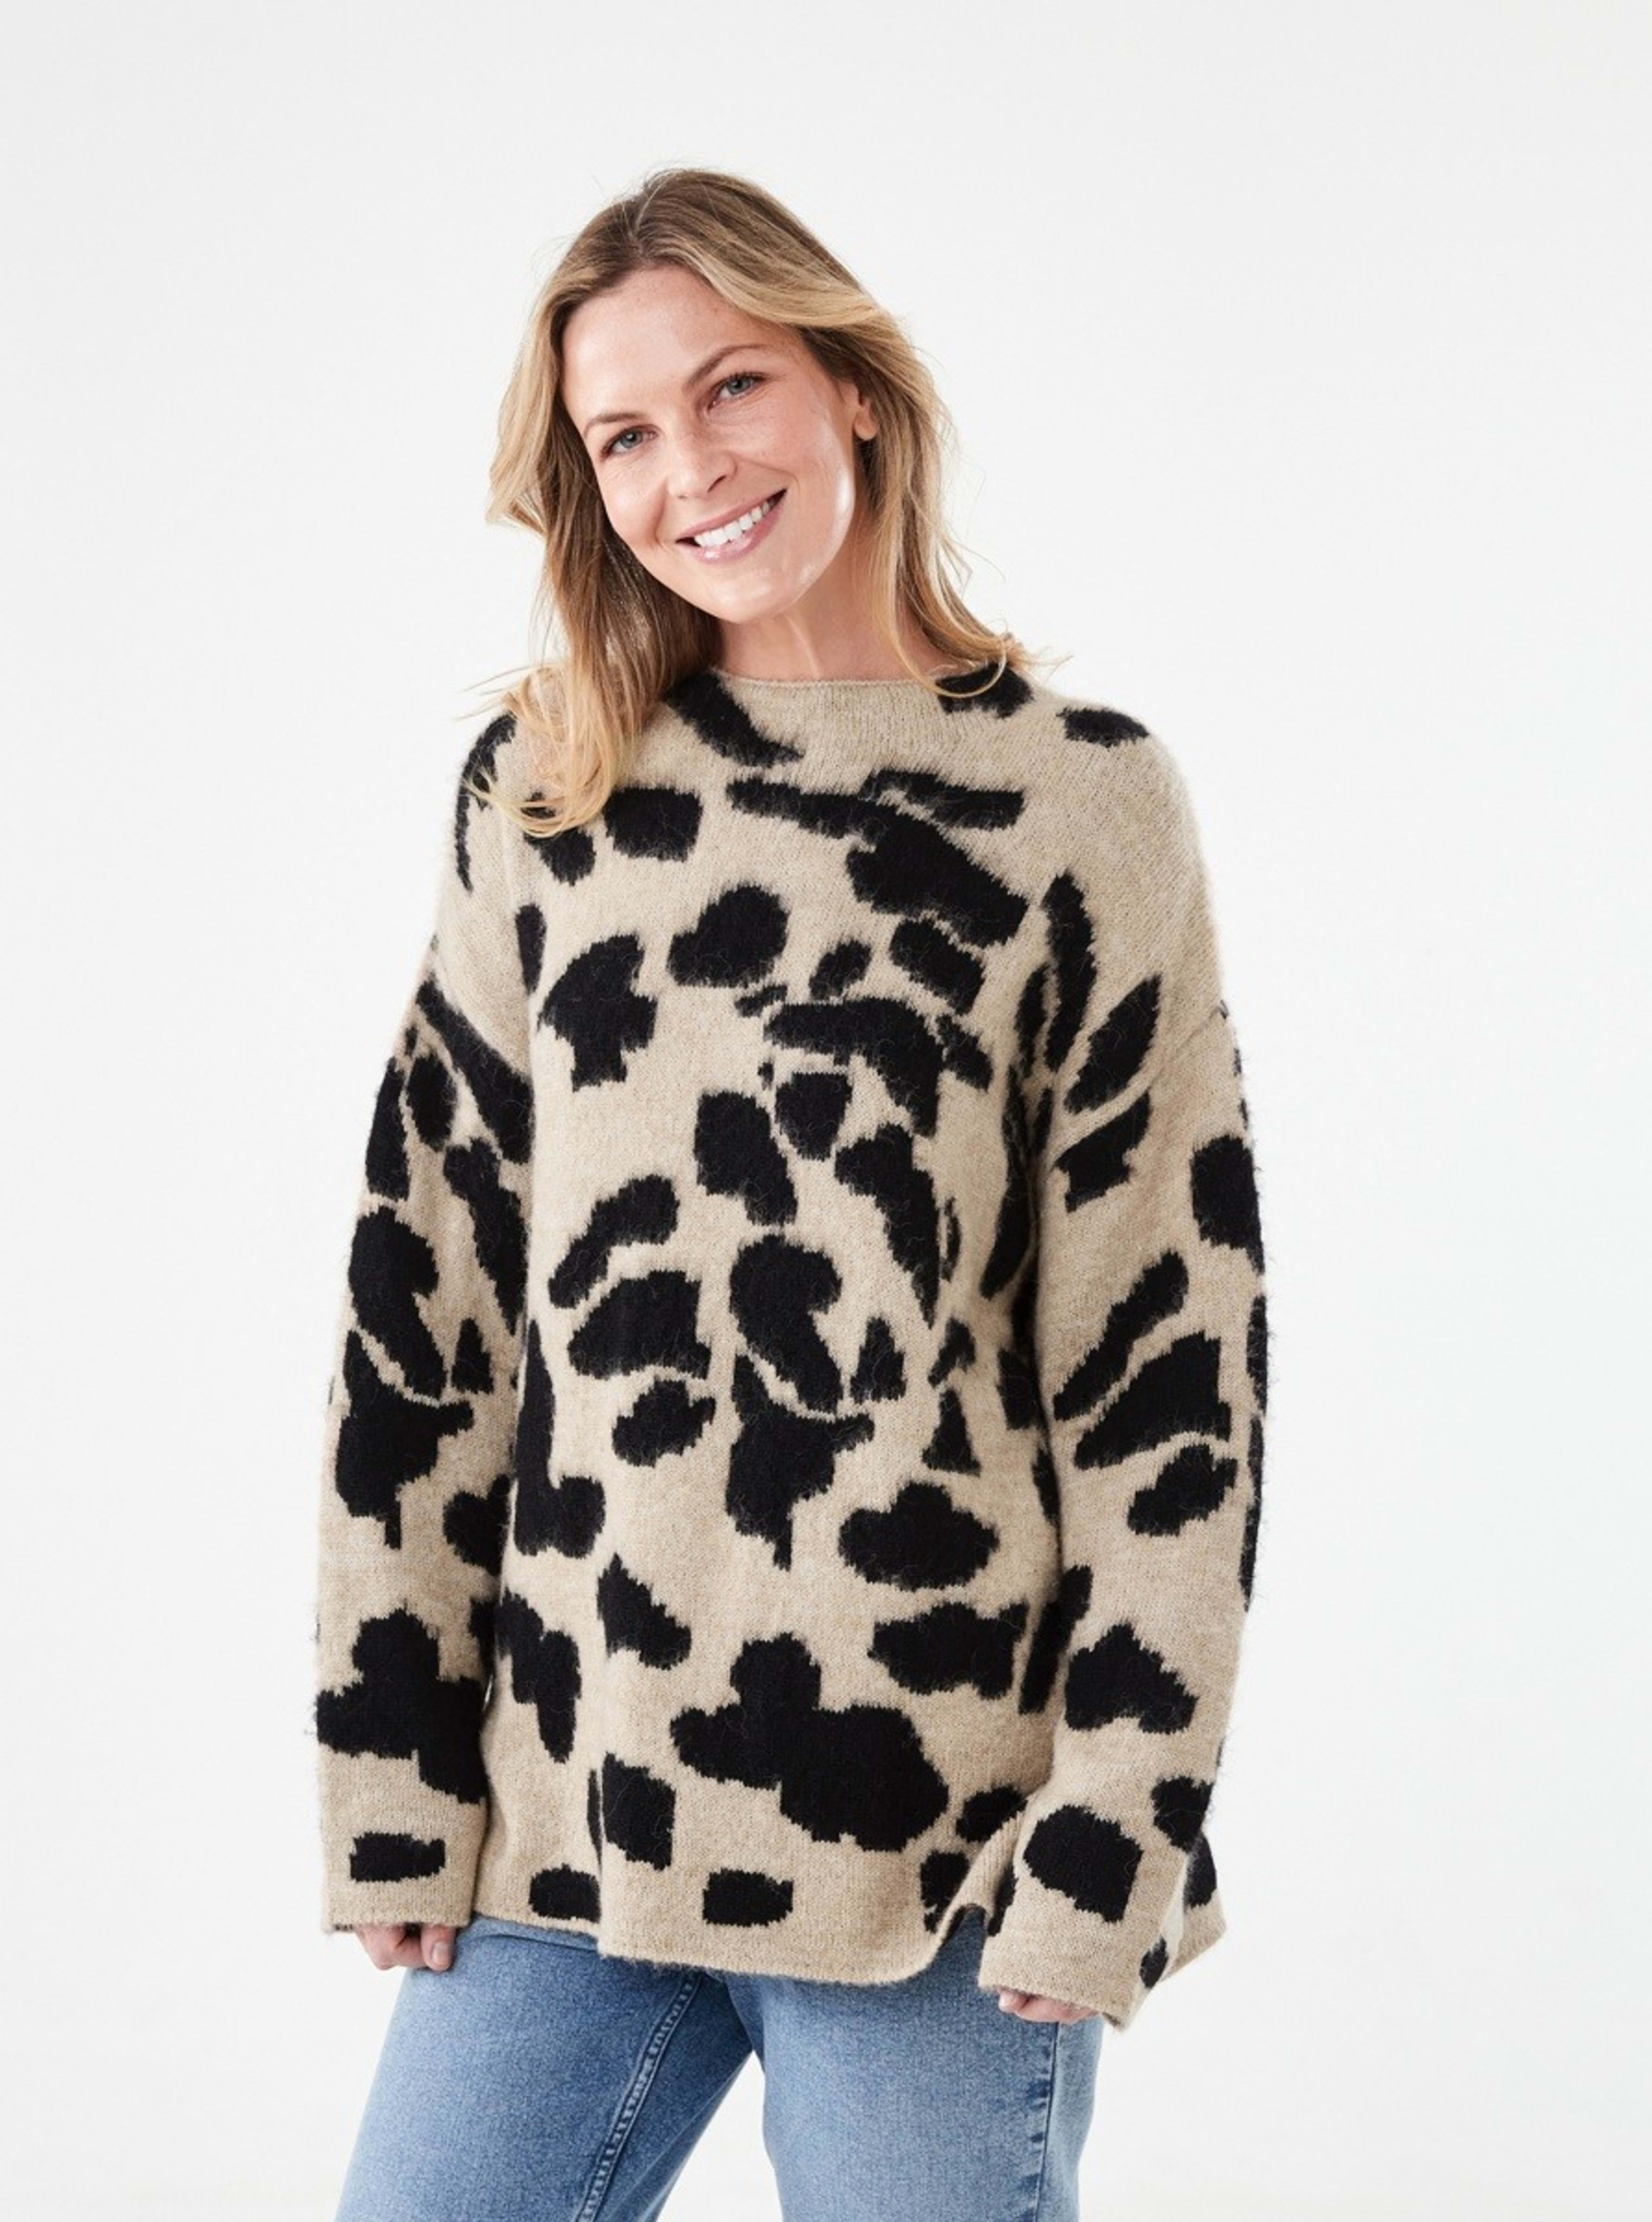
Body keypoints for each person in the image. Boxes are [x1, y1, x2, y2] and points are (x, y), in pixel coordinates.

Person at [312, 165, 1269, 2222]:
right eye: (624, 435)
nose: (691, 472)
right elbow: (428, 1294)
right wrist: (392, 1762)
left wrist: (1119, 1831)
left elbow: (1168, 1363)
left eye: (732, 386)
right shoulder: (549, 790)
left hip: (944, 1853)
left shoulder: (1082, 799)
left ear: (850, 385)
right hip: (566, 1816)